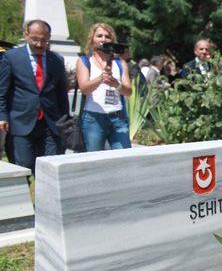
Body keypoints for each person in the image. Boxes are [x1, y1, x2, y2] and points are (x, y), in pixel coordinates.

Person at [0, 20, 68, 173]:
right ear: (26, 34)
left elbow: (61, 93)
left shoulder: (57, 60)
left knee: (51, 166)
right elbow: (2, 91)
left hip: (50, 123)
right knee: (24, 165)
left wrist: (65, 121)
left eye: (44, 40)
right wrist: (2, 116)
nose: (39, 44)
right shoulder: (12, 57)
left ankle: (46, 197)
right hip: (21, 121)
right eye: (35, 39)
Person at [76, 22, 132, 152]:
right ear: (92, 39)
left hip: (118, 118)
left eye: (107, 36)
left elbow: (128, 91)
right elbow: (84, 88)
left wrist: (116, 85)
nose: (103, 39)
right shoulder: (84, 61)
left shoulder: (120, 63)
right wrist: (100, 79)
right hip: (94, 118)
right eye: (99, 35)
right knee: (95, 160)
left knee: (124, 157)